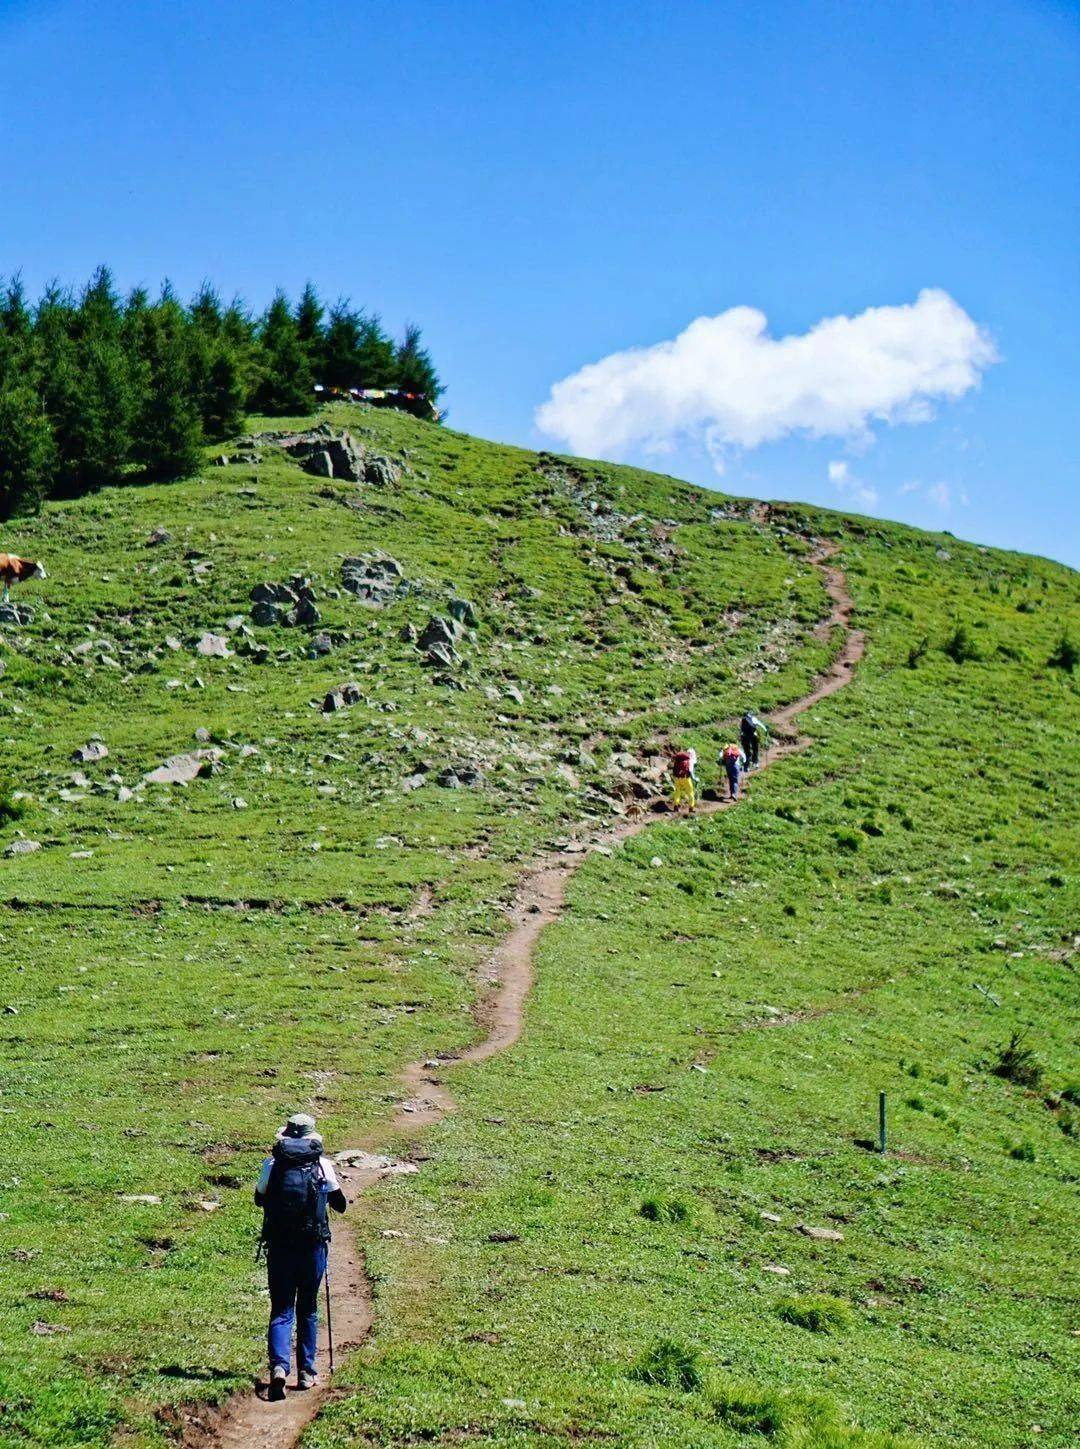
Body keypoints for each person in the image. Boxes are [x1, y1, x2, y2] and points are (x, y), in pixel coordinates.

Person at [255, 1113, 347, 1399]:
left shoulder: (272, 1164)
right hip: (312, 1246)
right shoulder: (321, 1165)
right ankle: (307, 1373)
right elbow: (341, 1205)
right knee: (307, 1307)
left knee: (281, 1309)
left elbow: (259, 1199)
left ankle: (279, 1368)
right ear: (311, 1137)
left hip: (281, 1246)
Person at [670, 746, 697, 813]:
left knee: (677, 792)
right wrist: (694, 779)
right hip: (685, 778)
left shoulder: (679, 759)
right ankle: (691, 808)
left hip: (676, 778)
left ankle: (676, 807)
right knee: (690, 792)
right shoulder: (690, 760)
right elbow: (690, 771)